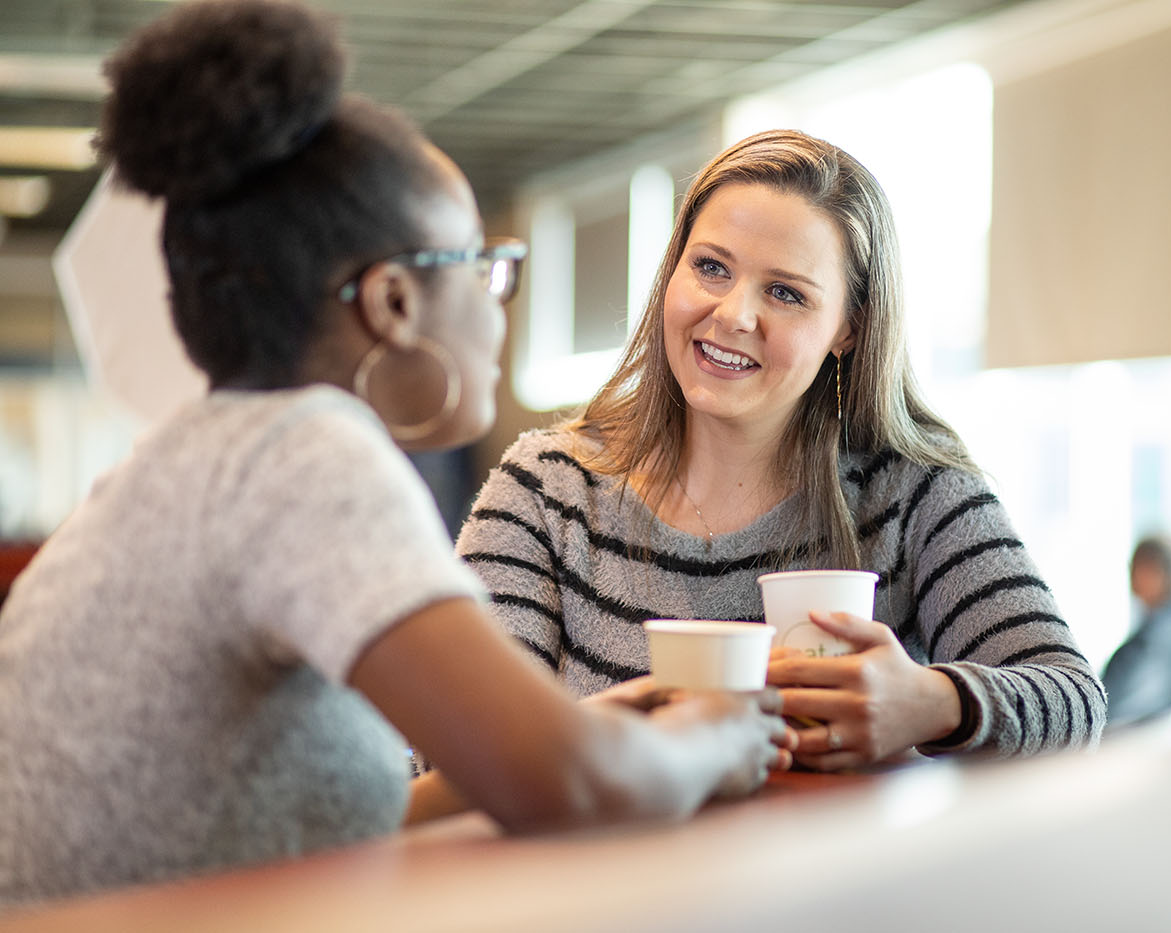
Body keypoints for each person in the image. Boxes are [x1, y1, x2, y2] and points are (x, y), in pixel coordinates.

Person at [0, 0, 792, 908]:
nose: (499, 306)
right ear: (394, 302)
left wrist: (583, 726)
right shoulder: (306, 453)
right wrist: (725, 737)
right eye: (484, 268)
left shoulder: (188, 459)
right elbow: (579, 788)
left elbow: (318, 815)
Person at [457, 129, 1106, 769]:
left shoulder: (912, 490)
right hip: (611, 872)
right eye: (711, 267)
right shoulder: (546, 489)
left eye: (786, 292)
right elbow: (462, 747)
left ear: (848, 328)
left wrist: (934, 701)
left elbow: (1074, 701)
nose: (735, 314)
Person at [1100, 533, 1171, 728]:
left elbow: (1122, 707)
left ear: (1161, 573)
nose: (1130, 573)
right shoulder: (1163, 630)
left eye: (1138, 565)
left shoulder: (1166, 639)